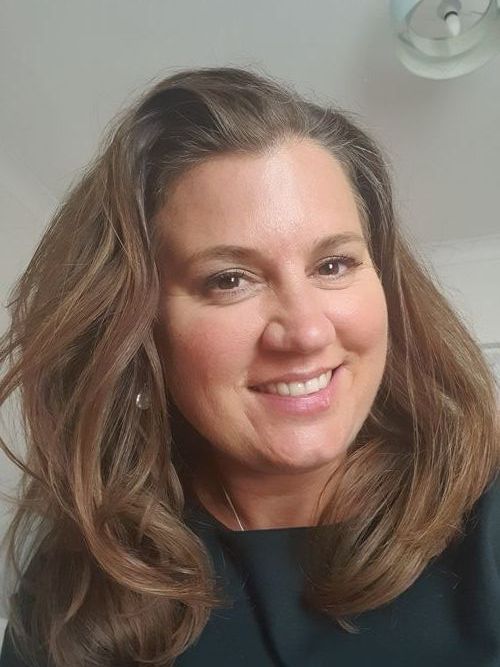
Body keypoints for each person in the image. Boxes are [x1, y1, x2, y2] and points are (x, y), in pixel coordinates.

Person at [0, 66, 499, 667]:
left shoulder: (485, 521)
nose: (307, 331)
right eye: (230, 280)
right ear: (138, 329)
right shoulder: (75, 588)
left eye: (333, 265)